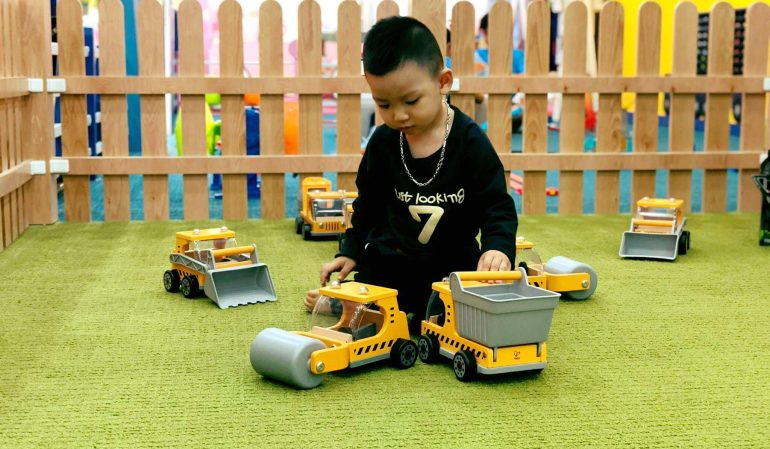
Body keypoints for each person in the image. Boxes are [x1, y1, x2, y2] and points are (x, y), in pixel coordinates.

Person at [306, 16, 518, 329]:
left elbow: (496, 206)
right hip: (393, 257)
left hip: (449, 262)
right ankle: (354, 301)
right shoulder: (383, 142)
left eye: (411, 101)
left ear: (443, 82)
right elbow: (368, 205)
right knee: (375, 282)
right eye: (384, 105)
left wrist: (497, 248)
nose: (399, 115)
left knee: (459, 300)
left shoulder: (469, 141)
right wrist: (350, 252)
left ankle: (386, 308)